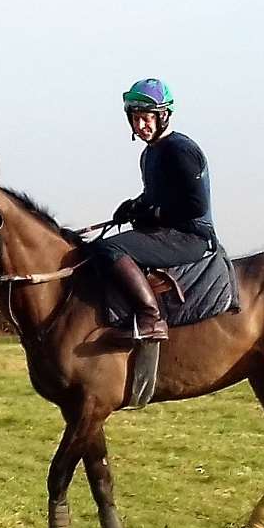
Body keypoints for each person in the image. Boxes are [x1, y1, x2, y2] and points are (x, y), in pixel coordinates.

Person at [91, 78, 217, 342]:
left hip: (192, 237)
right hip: (170, 232)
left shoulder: (180, 150)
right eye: (135, 119)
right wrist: (135, 205)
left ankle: (150, 319)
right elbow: (157, 195)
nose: (140, 125)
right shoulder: (150, 153)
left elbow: (195, 206)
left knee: (109, 248)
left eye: (146, 118)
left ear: (164, 116)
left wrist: (154, 214)